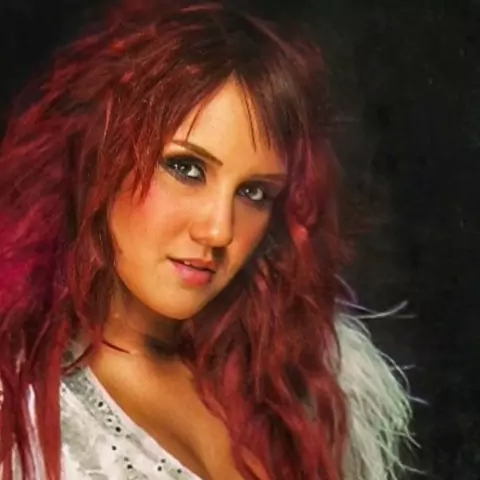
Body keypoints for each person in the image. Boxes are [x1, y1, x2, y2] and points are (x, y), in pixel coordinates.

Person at [0, 0, 412, 479]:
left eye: (254, 193)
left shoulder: (294, 390)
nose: (219, 231)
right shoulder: (19, 410)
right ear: (99, 156)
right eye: (186, 168)